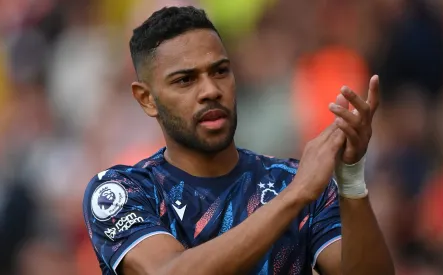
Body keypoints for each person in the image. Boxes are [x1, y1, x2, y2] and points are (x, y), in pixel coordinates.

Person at [82, 6, 394, 275]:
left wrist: (351, 179)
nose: (210, 90)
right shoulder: (123, 191)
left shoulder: (293, 181)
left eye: (220, 71)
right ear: (147, 98)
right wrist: (296, 195)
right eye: (185, 80)